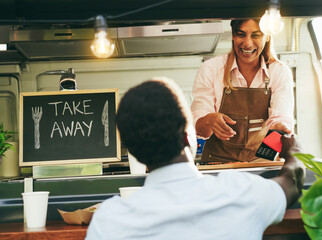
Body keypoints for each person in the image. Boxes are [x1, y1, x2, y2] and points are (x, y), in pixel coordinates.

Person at [86, 77, 305, 240]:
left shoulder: (109, 221)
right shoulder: (241, 192)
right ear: (188, 135)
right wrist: (292, 147)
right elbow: (293, 181)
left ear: (133, 151)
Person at [191, 19, 294, 163]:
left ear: (268, 36)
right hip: (216, 162)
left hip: (260, 161)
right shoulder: (210, 69)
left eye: (256, 35)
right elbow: (201, 129)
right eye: (241, 34)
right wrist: (209, 120)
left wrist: (265, 160)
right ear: (233, 36)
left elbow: (280, 120)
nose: (247, 43)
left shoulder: (279, 71)